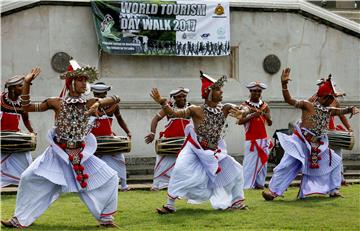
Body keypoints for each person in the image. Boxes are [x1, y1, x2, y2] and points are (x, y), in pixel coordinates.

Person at [1, 60, 120, 228]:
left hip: (80, 154)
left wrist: (98, 103)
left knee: (111, 178)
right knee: (28, 178)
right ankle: (19, 219)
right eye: (80, 79)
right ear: (70, 82)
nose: (84, 83)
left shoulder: (89, 102)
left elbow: (116, 98)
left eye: (85, 80)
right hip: (57, 153)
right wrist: (27, 83)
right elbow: (26, 107)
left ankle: (106, 219)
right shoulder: (56, 102)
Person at [151, 71, 251, 214]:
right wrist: (162, 102)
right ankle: (170, 205)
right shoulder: (195, 110)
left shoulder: (225, 107)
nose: (221, 92)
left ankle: (237, 202)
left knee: (236, 170)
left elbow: (243, 108)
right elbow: (174, 113)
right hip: (195, 148)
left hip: (214, 150)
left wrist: (244, 111)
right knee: (179, 169)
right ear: (208, 92)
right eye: (217, 89)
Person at [262, 68, 359, 200]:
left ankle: (334, 190)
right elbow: (289, 100)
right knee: (287, 164)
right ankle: (273, 192)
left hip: (318, 145)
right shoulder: (307, 105)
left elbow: (341, 111)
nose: (333, 100)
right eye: (331, 97)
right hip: (300, 142)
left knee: (335, 161)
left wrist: (351, 109)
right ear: (325, 97)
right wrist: (284, 85)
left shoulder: (328, 110)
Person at [144, 87, 191, 190]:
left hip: (186, 142)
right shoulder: (168, 107)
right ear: (174, 98)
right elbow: (155, 119)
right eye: (179, 96)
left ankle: (184, 185)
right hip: (170, 141)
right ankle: (158, 185)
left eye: (184, 96)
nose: (182, 98)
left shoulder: (191, 108)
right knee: (161, 163)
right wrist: (152, 133)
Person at [310, 77, 353, 185]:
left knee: (337, 157)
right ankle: (321, 181)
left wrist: (349, 127)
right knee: (321, 158)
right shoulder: (313, 100)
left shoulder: (334, 101)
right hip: (318, 132)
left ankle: (339, 179)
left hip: (331, 131)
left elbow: (341, 114)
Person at [90, 82, 132, 192]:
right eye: (97, 94)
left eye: (102, 94)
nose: (99, 97)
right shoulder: (90, 104)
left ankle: (123, 185)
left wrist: (128, 132)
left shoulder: (114, 106)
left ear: (106, 93)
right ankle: (91, 184)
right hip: (93, 139)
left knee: (119, 158)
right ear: (93, 93)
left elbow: (120, 119)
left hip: (108, 138)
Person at [1, 74, 35, 187]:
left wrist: (31, 131)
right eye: (20, 86)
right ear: (11, 88)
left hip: (14, 137)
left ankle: (25, 181)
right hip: (2, 137)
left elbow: (26, 119)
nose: (22, 89)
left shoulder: (22, 104)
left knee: (26, 157)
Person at [237, 81, 272, 189]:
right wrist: (252, 115)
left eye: (259, 91)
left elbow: (270, 123)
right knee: (250, 163)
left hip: (263, 137)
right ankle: (247, 185)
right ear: (250, 91)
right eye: (254, 91)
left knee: (263, 161)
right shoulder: (244, 105)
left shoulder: (265, 105)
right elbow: (240, 121)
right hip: (251, 139)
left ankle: (259, 183)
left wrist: (266, 116)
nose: (257, 93)